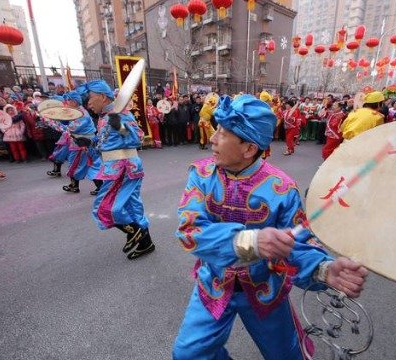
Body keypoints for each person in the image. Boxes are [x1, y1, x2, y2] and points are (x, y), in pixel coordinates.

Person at [172, 94, 368, 359]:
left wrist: (324, 269)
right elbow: (190, 230)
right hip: (214, 283)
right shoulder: (201, 174)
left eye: (223, 133)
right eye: (216, 130)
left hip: (265, 289)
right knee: (189, 354)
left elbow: (299, 244)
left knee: (286, 356)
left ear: (249, 148)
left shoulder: (282, 188)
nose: (212, 139)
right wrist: (249, 242)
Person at [80, 80, 155, 260]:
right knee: (132, 205)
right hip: (115, 167)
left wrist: (120, 126)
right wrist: (89, 143)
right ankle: (146, 243)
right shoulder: (104, 117)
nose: (88, 103)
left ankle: (136, 232)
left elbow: (137, 138)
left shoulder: (120, 113)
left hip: (123, 167)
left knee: (105, 208)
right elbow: (104, 145)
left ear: (102, 97)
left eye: (90, 98)